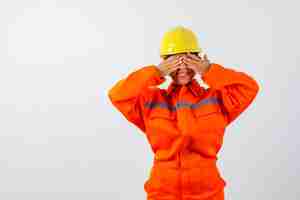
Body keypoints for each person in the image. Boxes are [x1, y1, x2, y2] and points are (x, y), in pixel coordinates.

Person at [108, 26, 259, 200]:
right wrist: (157, 72)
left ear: (199, 59)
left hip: (208, 194)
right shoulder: (151, 101)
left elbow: (249, 87)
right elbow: (118, 95)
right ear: (165, 62)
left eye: (188, 59)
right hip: (162, 193)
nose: (182, 67)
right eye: (174, 61)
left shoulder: (217, 100)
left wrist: (208, 70)